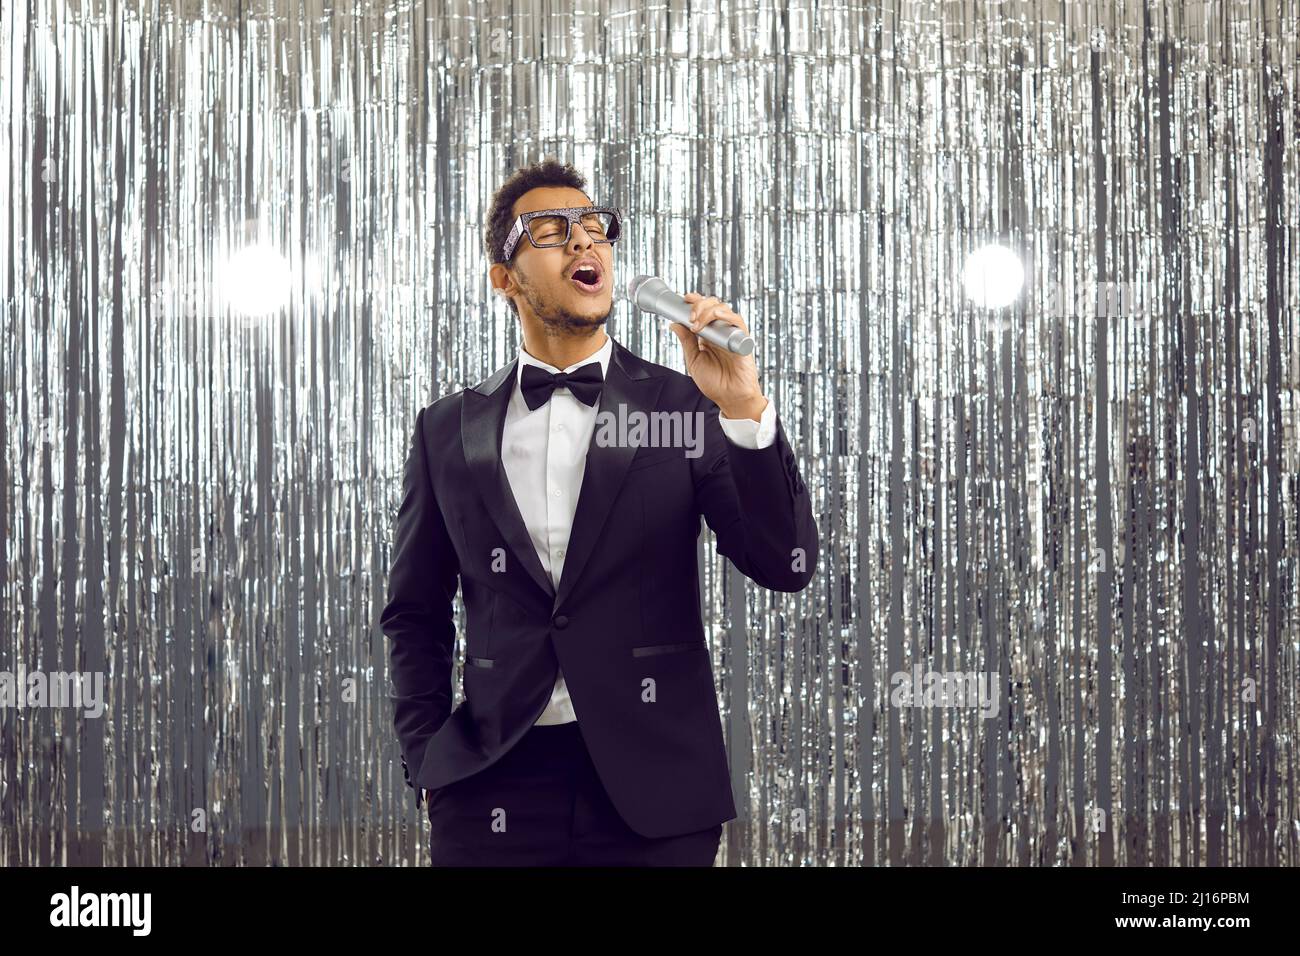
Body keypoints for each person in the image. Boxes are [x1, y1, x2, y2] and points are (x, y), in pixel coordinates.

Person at [380, 158, 818, 865]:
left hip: (655, 794)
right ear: (505, 278)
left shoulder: (680, 405)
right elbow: (414, 613)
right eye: (551, 231)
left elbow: (783, 563)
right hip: (491, 787)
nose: (585, 241)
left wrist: (742, 408)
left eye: (596, 226)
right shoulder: (445, 429)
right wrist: (428, 758)